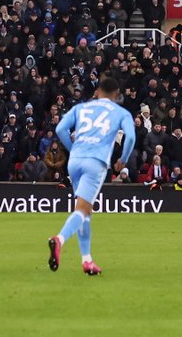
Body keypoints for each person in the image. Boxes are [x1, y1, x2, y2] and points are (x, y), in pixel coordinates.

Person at [48, 75, 137, 276]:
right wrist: (122, 159)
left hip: (75, 161)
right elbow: (130, 136)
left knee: (84, 211)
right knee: (82, 210)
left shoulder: (81, 108)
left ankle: (87, 260)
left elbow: (61, 128)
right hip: (95, 162)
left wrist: (72, 148)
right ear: (116, 95)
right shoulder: (121, 112)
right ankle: (59, 239)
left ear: (97, 92)